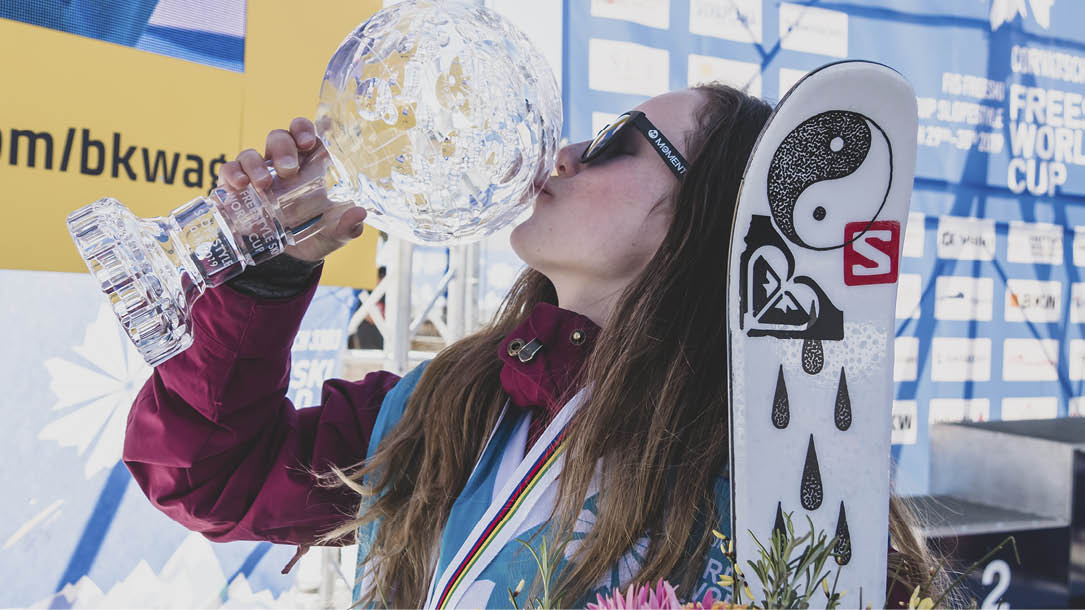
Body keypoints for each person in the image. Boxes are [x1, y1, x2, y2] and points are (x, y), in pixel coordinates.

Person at [123, 83, 942, 608]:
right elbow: (208, 476)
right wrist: (267, 277)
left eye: (617, 141)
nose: (564, 155)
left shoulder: (780, 485)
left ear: (708, 220)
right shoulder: (443, 406)